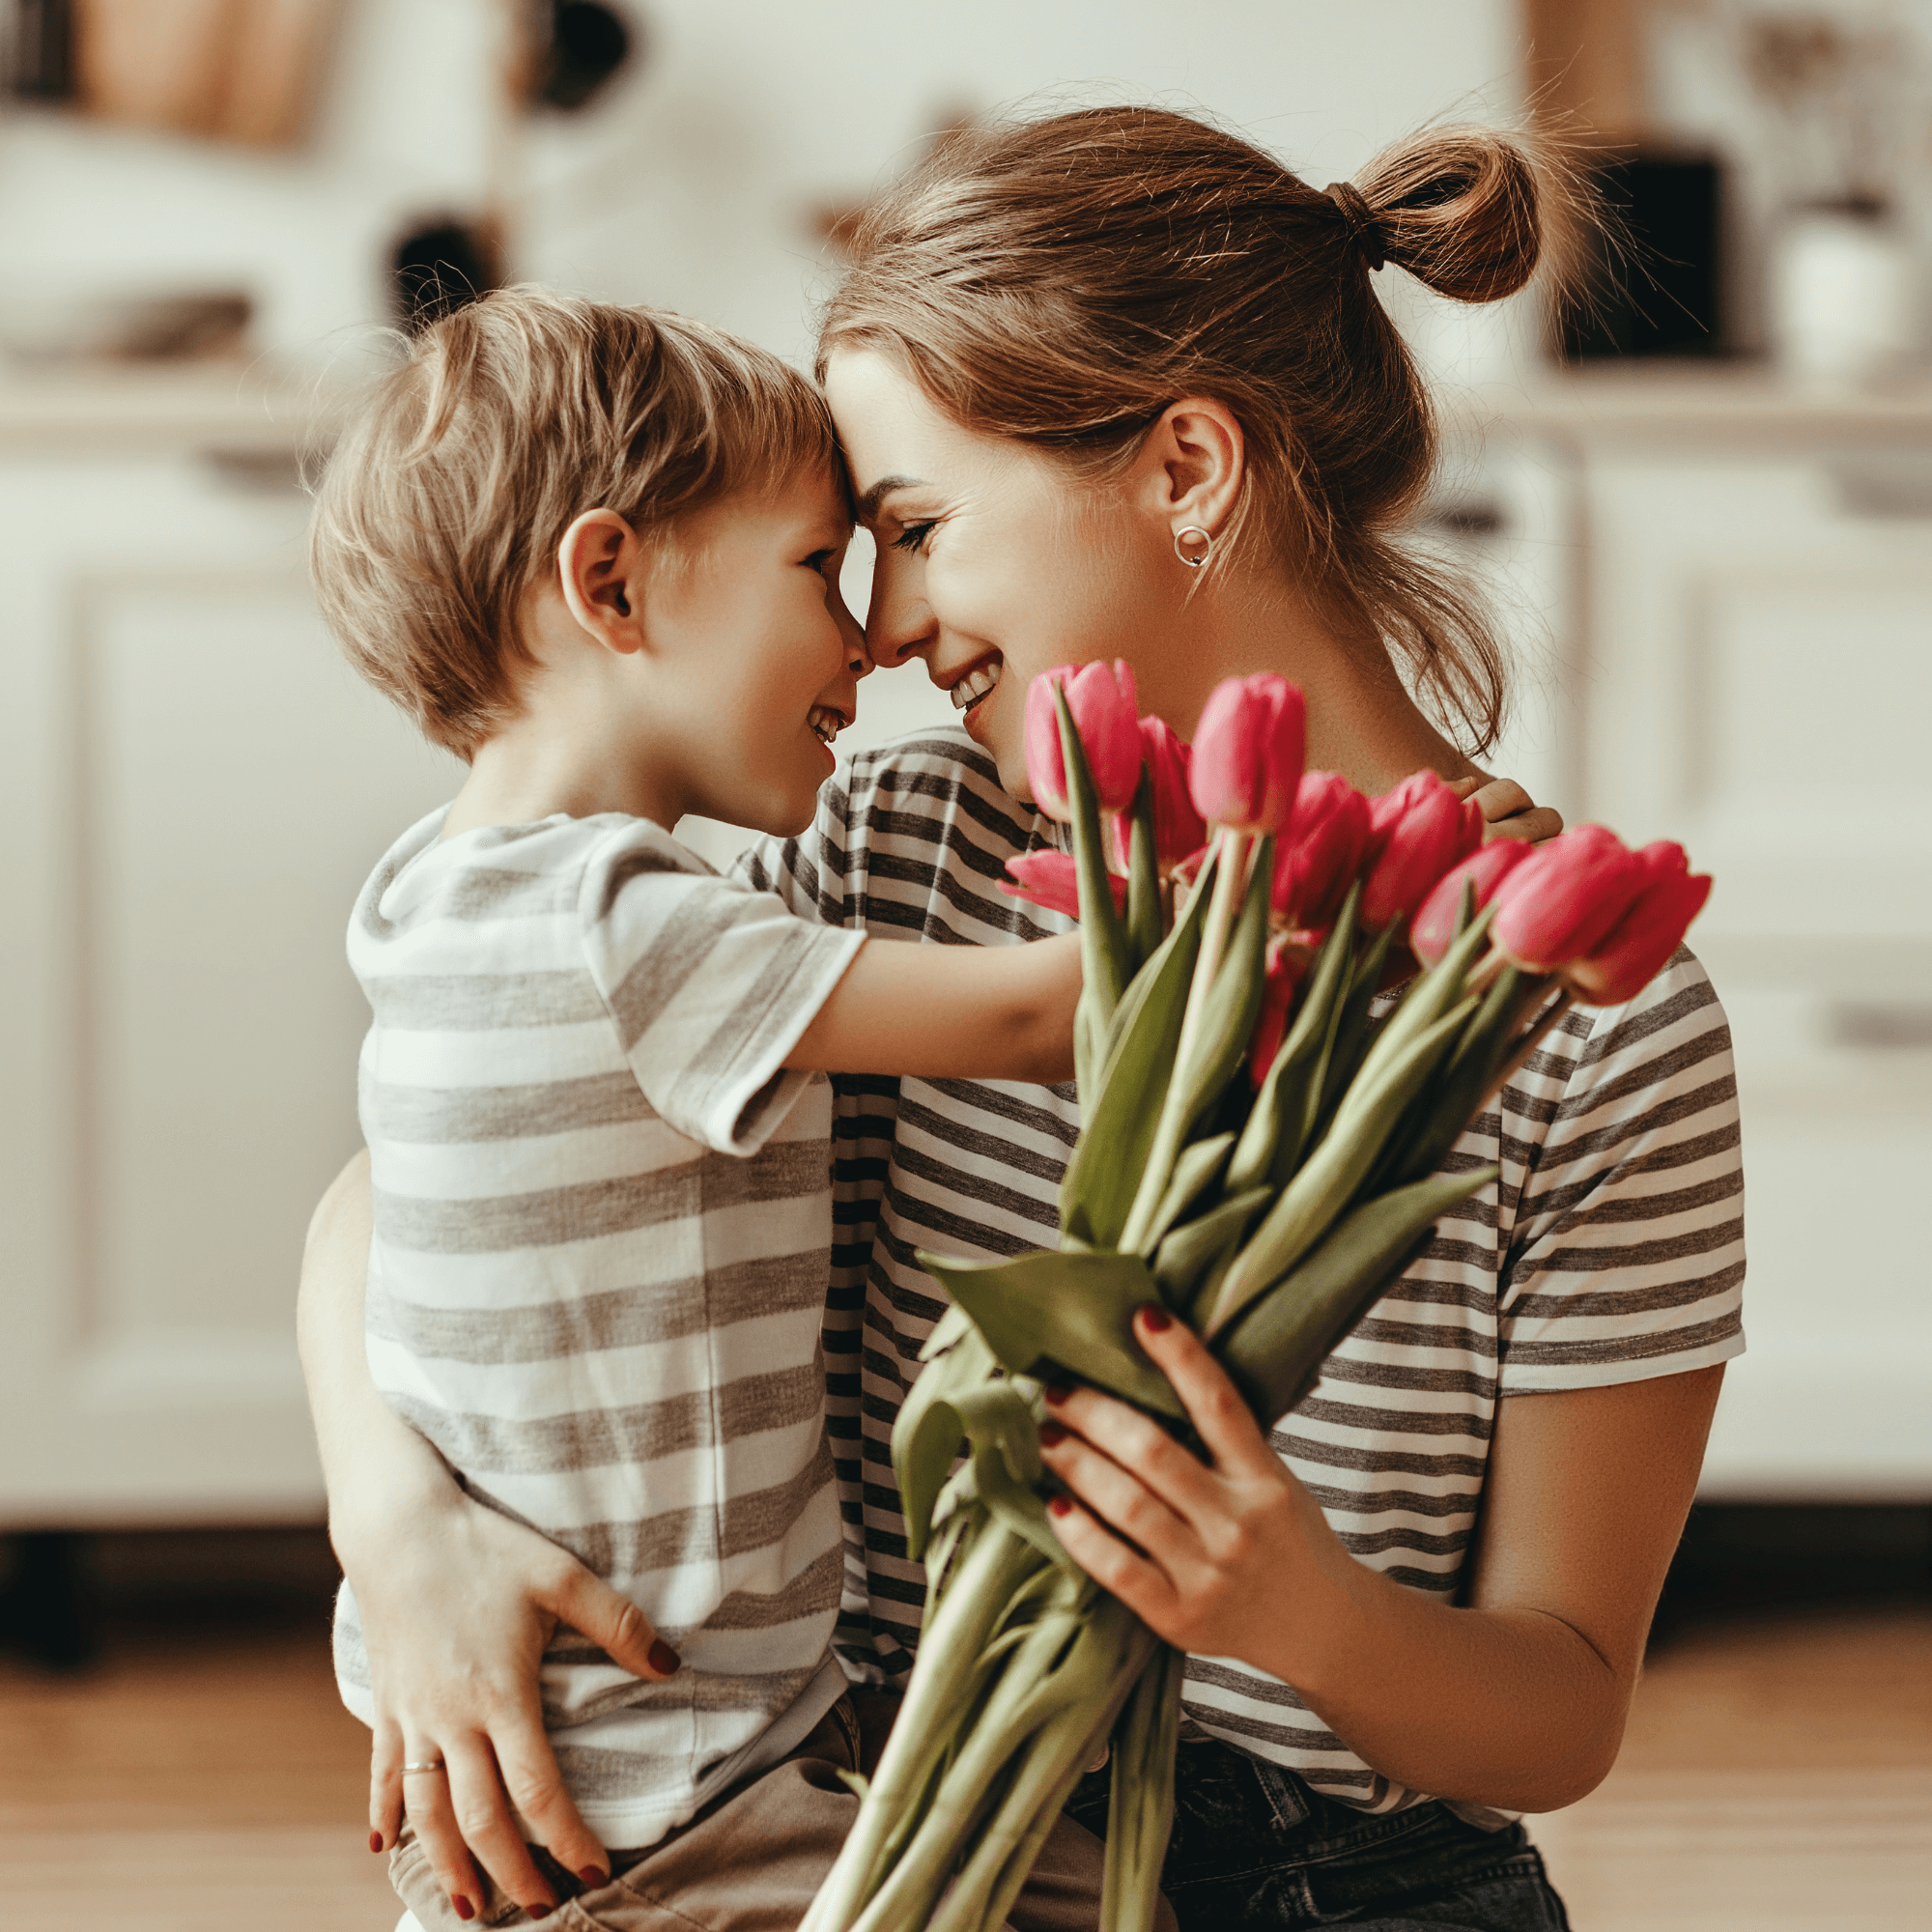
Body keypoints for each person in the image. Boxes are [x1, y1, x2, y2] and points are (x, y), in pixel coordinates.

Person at [300, 110, 1745, 1932]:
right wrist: (398, 1525)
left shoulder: (1586, 1021)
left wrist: (1296, 1606)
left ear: (1189, 467)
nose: (886, 627)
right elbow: (426, 1170)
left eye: (911, 527)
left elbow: (1560, 1711)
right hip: (866, 1824)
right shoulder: (901, 847)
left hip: (1325, 1882)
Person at [305, 287, 1129, 1932]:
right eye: (820, 565)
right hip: (672, 1784)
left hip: (604, 1753)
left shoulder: (437, 892)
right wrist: (1383, 853)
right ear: (609, 583)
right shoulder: (626, 927)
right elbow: (1053, 1018)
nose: (863, 634)